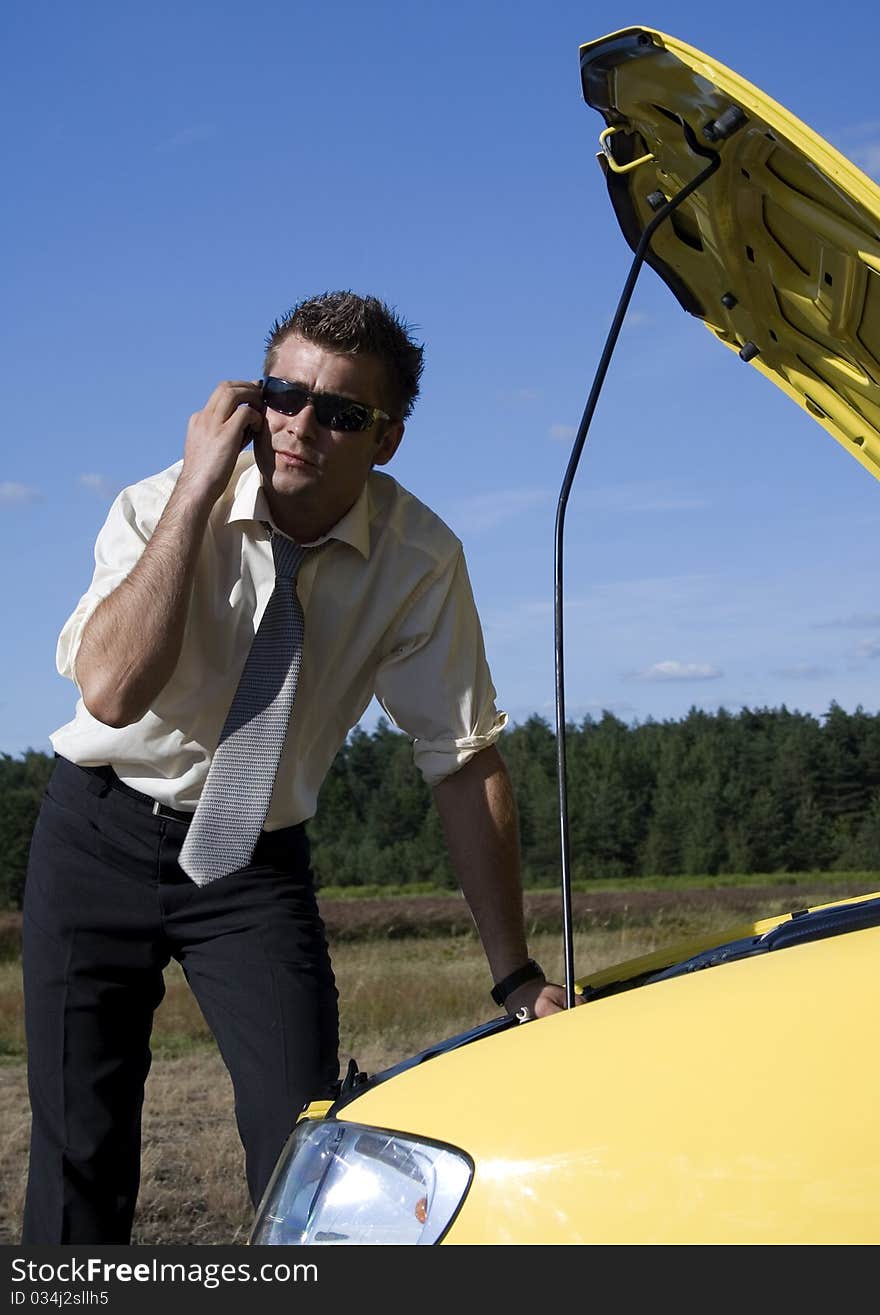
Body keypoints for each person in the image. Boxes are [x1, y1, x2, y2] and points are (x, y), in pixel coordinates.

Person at [21, 290, 566, 1245]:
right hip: (95, 835)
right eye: (283, 393)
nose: (301, 424)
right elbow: (109, 691)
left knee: (305, 1142)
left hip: (252, 862)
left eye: (341, 411)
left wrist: (514, 974)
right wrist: (197, 491)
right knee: (79, 1154)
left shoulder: (422, 559)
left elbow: (462, 758)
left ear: (385, 438)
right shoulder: (156, 504)